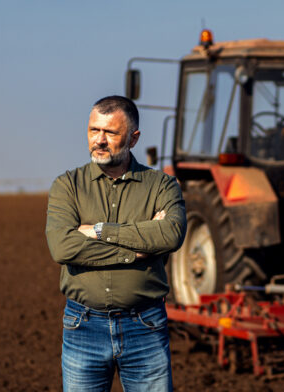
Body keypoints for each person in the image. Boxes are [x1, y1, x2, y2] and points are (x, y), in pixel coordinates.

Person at [45, 95, 187, 391]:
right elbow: (62, 247)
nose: (99, 140)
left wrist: (98, 230)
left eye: (110, 133)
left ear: (133, 139)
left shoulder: (162, 186)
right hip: (83, 326)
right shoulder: (67, 186)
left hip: (144, 326)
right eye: (93, 130)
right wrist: (137, 251)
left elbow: (170, 234)